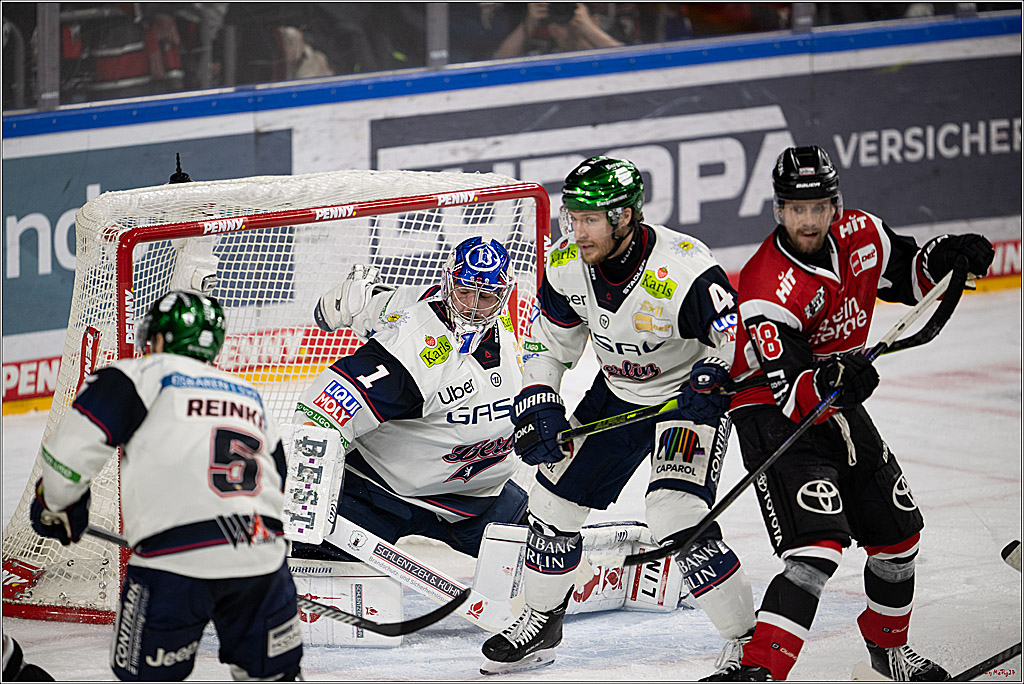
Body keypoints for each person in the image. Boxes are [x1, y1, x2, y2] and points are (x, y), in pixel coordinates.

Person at [719, 145, 994, 681]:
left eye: (818, 207)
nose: (808, 219)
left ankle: (886, 649)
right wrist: (835, 379)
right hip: (771, 407)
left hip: (834, 393)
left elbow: (912, 274)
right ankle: (756, 669)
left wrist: (949, 256)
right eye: (796, 209)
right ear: (778, 209)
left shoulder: (863, 233)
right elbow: (797, 395)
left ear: (834, 205)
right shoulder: (765, 286)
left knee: (898, 536)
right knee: (814, 551)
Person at [479, 156, 757, 677]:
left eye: (589, 219)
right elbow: (549, 344)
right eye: (572, 216)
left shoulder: (685, 268)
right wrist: (539, 400)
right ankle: (542, 619)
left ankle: (748, 642)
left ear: (625, 216)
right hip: (617, 395)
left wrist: (715, 374)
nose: (576, 230)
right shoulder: (565, 262)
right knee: (550, 506)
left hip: (684, 404)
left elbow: (737, 337)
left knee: (676, 517)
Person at [30, 291, 302, 682]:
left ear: (159, 338)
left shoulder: (136, 376)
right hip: (262, 560)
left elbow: (67, 461)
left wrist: (57, 505)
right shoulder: (251, 396)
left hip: (173, 562)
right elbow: (277, 477)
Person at [289, 236, 529, 564]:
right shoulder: (409, 350)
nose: (473, 307)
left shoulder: (519, 320)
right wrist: (307, 507)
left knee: (547, 564)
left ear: (503, 295)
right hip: (378, 492)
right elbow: (320, 413)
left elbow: (383, 304)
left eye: (485, 296)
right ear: (448, 284)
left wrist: (362, 300)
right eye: (465, 292)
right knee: (330, 585)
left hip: (477, 498)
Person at [494, 3, 623, 59]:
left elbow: (633, 63)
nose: (569, 26)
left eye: (575, 17)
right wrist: (529, 23)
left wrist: (591, 31)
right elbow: (498, 64)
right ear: (552, 30)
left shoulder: (606, 58)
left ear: (595, 22)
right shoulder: (543, 60)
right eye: (561, 23)